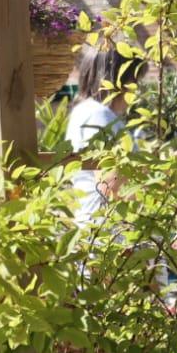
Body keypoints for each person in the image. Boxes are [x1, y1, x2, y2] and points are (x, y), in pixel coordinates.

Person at [66, 45, 135, 222]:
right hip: (107, 231)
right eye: (133, 80)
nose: (136, 88)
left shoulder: (88, 111)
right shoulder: (98, 114)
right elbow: (109, 184)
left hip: (98, 225)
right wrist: (162, 169)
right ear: (117, 80)